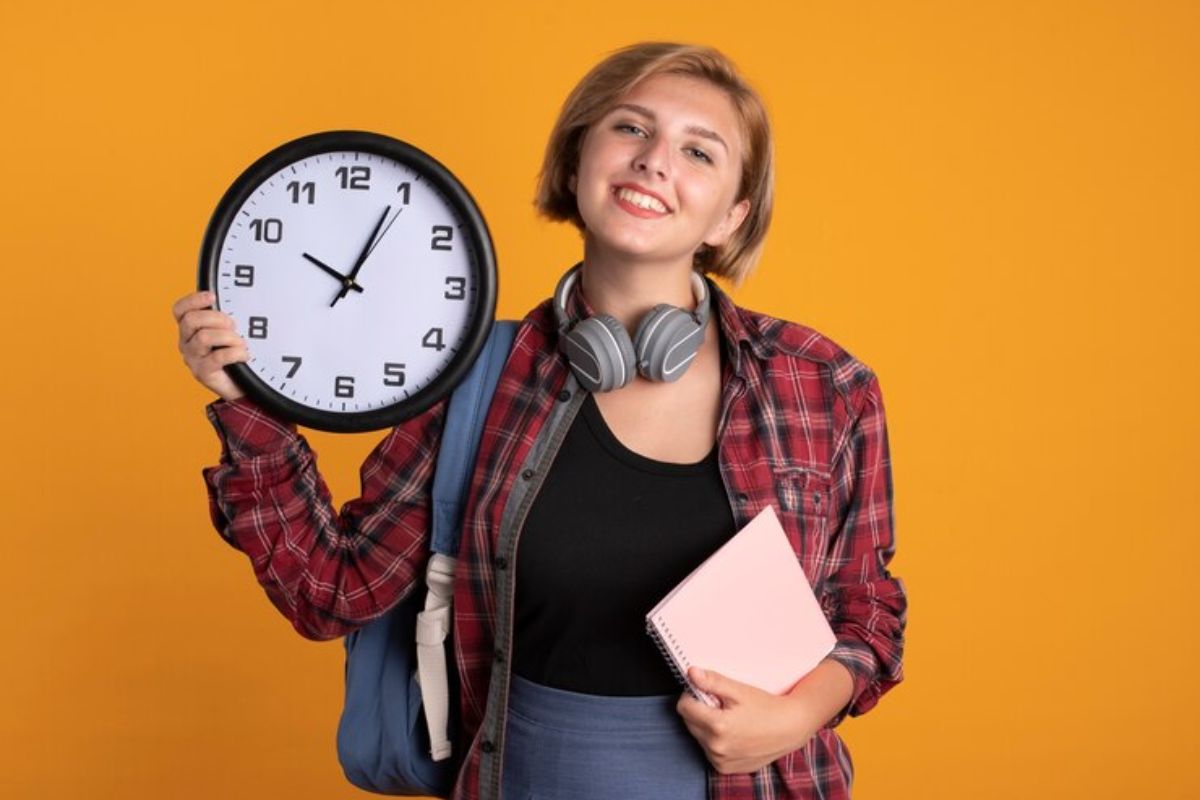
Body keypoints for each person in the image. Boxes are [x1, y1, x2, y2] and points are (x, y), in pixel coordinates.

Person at [173, 41, 906, 800]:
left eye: (698, 151)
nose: (655, 160)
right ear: (577, 157)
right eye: (630, 128)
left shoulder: (821, 384)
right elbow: (332, 593)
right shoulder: (470, 378)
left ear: (732, 215)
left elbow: (867, 609)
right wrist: (248, 406)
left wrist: (797, 715)